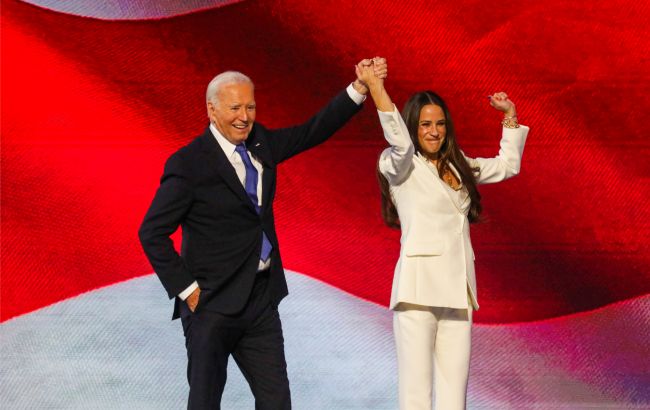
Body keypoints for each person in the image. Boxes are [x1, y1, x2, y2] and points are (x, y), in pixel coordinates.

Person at [138, 60, 387, 409]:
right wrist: (189, 292)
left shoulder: (261, 143)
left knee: (276, 402)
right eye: (235, 107)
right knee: (205, 402)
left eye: (250, 106)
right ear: (212, 110)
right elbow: (152, 232)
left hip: (259, 302)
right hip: (212, 305)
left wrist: (359, 89)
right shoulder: (189, 163)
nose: (244, 116)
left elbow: (311, 131)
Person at [356, 61, 529, 409]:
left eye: (439, 124)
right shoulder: (397, 164)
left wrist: (509, 116)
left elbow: (507, 165)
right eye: (424, 124)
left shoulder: (459, 164)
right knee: (416, 395)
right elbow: (400, 144)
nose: (433, 132)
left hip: (458, 291)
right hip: (417, 293)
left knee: (454, 397)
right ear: (412, 128)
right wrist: (377, 88)